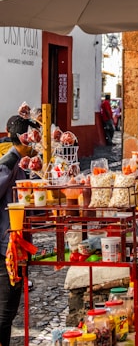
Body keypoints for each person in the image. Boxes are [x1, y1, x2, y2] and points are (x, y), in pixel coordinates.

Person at [0, 115, 37, 346]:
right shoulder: (9, 163)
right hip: (6, 248)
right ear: (25, 139)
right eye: (33, 139)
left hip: (16, 245)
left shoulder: (20, 163)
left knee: (8, 310)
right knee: (5, 311)